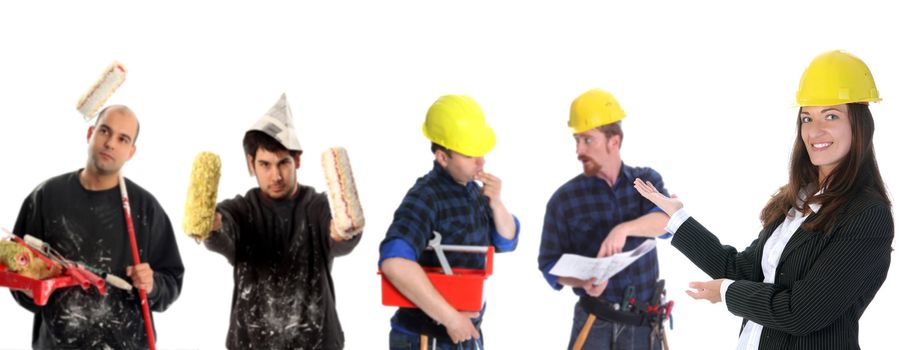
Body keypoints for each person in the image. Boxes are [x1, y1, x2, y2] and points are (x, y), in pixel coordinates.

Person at [634, 50, 893, 350]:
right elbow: (742, 271)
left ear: (859, 125)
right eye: (807, 117)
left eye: (831, 115)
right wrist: (678, 220)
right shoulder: (800, 199)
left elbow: (802, 313)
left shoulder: (867, 215)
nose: (815, 130)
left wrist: (727, 293)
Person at [10, 105, 185, 349]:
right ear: (90, 133)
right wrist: (30, 287)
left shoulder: (145, 209)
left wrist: (153, 284)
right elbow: (15, 272)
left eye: (122, 139)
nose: (110, 143)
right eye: (105, 131)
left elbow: (172, 283)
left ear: (131, 152)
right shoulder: (45, 197)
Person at [203, 93, 362, 350]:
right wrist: (209, 224)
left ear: (297, 160)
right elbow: (221, 236)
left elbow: (341, 241)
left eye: (283, 163)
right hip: (251, 342)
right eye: (265, 164)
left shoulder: (318, 206)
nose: (275, 175)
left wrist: (343, 231)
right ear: (250, 163)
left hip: (316, 340)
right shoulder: (242, 210)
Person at [379, 95, 519, 349]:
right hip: (424, 337)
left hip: (465, 333)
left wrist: (497, 203)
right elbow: (394, 263)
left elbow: (508, 241)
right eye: (470, 154)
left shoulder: (474, 192)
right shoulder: (425, 197)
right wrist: (451, 319)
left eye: (481, 151)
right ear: (443, 157)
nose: (481, 161)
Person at [538, 88, 671, 349]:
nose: (579, 150)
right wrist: (582, 282)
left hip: (645, 326)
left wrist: (623, 229)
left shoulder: (645, 181)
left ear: (614, 141)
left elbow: (668, 221)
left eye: (588, 140)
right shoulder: (564, 200)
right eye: (576, 140)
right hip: (594, 324)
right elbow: (549, 263)